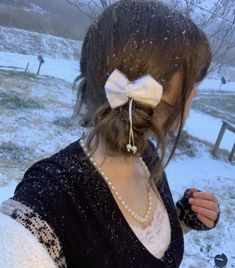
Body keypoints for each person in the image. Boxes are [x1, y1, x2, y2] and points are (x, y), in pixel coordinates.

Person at [0, 1, 220, 267]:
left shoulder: (144, 153)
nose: (195, 91)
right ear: (150, 86)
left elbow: (124, 246)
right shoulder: (48, 202)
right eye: (190, 80)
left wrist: (182, 218)